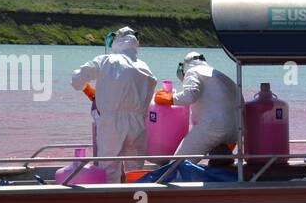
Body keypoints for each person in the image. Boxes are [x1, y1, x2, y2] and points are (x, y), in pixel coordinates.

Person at [71, 26, 158, 182]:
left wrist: (88, 89)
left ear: (116, 41)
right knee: (135, 170)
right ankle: (136, 201)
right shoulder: (145, 67)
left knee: (109, 168)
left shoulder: (106, 60)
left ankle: (112, 202)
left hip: (111, 122)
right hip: (138, 124)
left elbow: (76, 80)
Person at [154, 52, 242, 159]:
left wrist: (169, 98)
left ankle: (174, 174)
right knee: (219, 162)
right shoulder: (220, 75)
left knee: (178, 163)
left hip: (214, 126)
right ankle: (221, 167)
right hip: (236, 130)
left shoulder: (192, 71)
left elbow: (190, 95)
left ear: (185, 64)